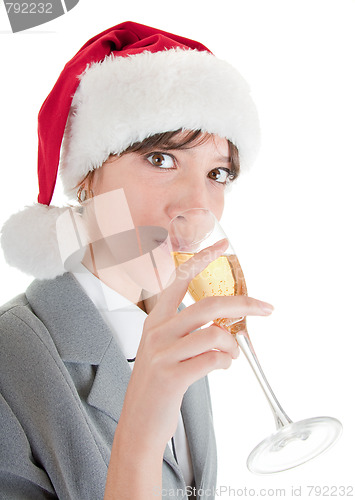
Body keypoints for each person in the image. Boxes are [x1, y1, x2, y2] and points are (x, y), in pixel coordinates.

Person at [0, 21, 273, 499]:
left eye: (217, 172)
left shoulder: (176, 330)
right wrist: (141, 436)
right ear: (86, 178)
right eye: (161, 159)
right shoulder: (10, 362)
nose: (197, 206)